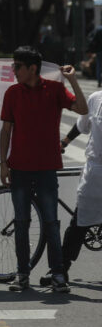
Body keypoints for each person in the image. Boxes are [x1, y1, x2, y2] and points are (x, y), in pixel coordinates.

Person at [0, 46, 87, 293]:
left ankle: (58, 274)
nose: (14, 71)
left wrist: (72, 80)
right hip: (19, 169)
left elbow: (82, 109)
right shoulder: (12, 93)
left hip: (47, 167)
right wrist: (3, 163)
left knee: (51, 222)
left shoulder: (56, 89)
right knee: (21, 222)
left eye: (18, 67)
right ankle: (22, 274)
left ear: (33, 69)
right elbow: (6, 130)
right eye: (13, 66)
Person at [59, 88, 102, 280]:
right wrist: (65, 142)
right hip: (95, 170)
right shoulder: (96, 98)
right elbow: (82, 125)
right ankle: (61, 269)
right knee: (79, 220)